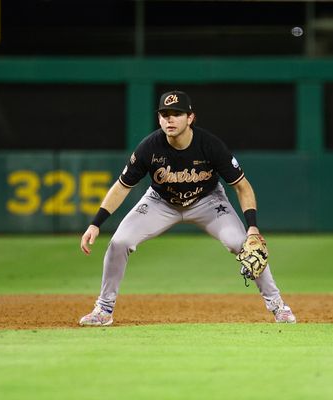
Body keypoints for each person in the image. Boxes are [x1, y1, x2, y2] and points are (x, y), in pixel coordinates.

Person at [78, 90, 296, 326]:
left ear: (190, 118)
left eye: (176, 114)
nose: (169, 120)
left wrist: (252, 227)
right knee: (119, 242)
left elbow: (243, 187)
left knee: (245, 246)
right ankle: (104, 309)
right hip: (160, 202)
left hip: (209, 202)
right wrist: (95, 223)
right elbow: (122, 187)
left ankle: (278, 306)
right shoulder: (149, 147)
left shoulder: (210, 146)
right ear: (159, 118)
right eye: (164, 114)